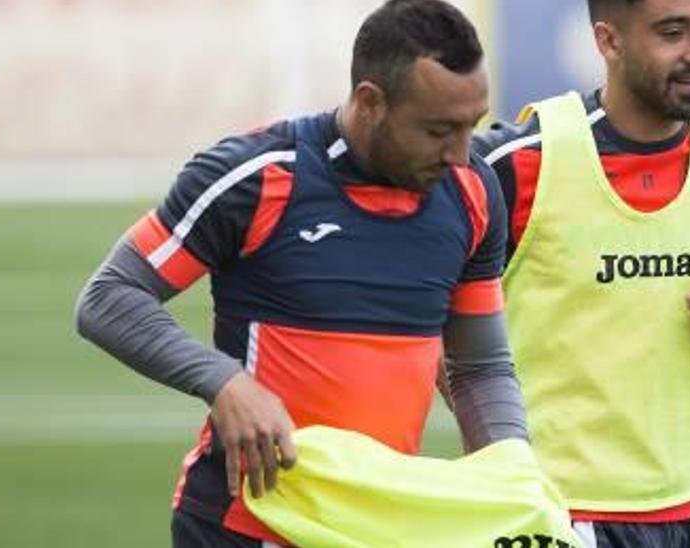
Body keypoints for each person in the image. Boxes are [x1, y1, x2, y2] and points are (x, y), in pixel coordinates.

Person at [75, 1, 528, 546]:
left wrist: (513, 474)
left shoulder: (474, 192)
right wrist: (224, 382)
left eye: (470, 127)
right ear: (370, 102)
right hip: (247, 525)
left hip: (374, 528)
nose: (460, 153)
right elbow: (109, 297)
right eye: (438, 130)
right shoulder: (259, 175)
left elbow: (478, 368)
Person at [473, 0, 690, 545]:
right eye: (672, 33)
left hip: (674, 504)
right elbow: (424, 288)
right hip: (546, 507)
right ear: (609, 42)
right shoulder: (518, 162)